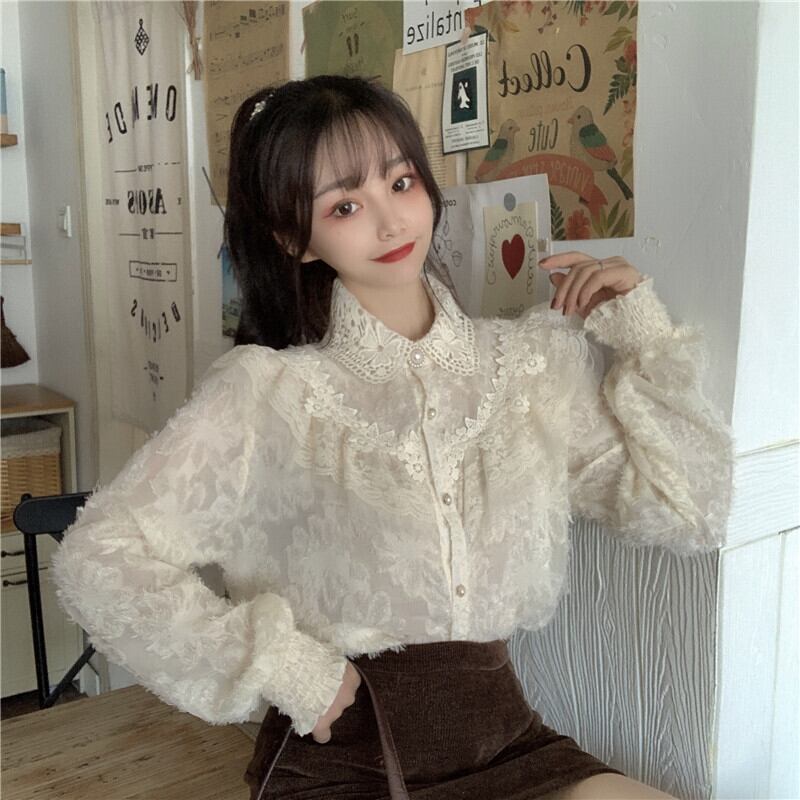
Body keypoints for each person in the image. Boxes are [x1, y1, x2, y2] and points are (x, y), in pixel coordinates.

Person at [51, 75, 734, 800]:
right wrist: (284, 666)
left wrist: (641, 334)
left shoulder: (530, 368)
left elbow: (691, 508)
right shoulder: (268, 395)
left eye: (401, 183)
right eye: (344, 205)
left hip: (508, 741)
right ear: (294, 238)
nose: (389, 221)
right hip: (344, 761)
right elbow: (99, 555)